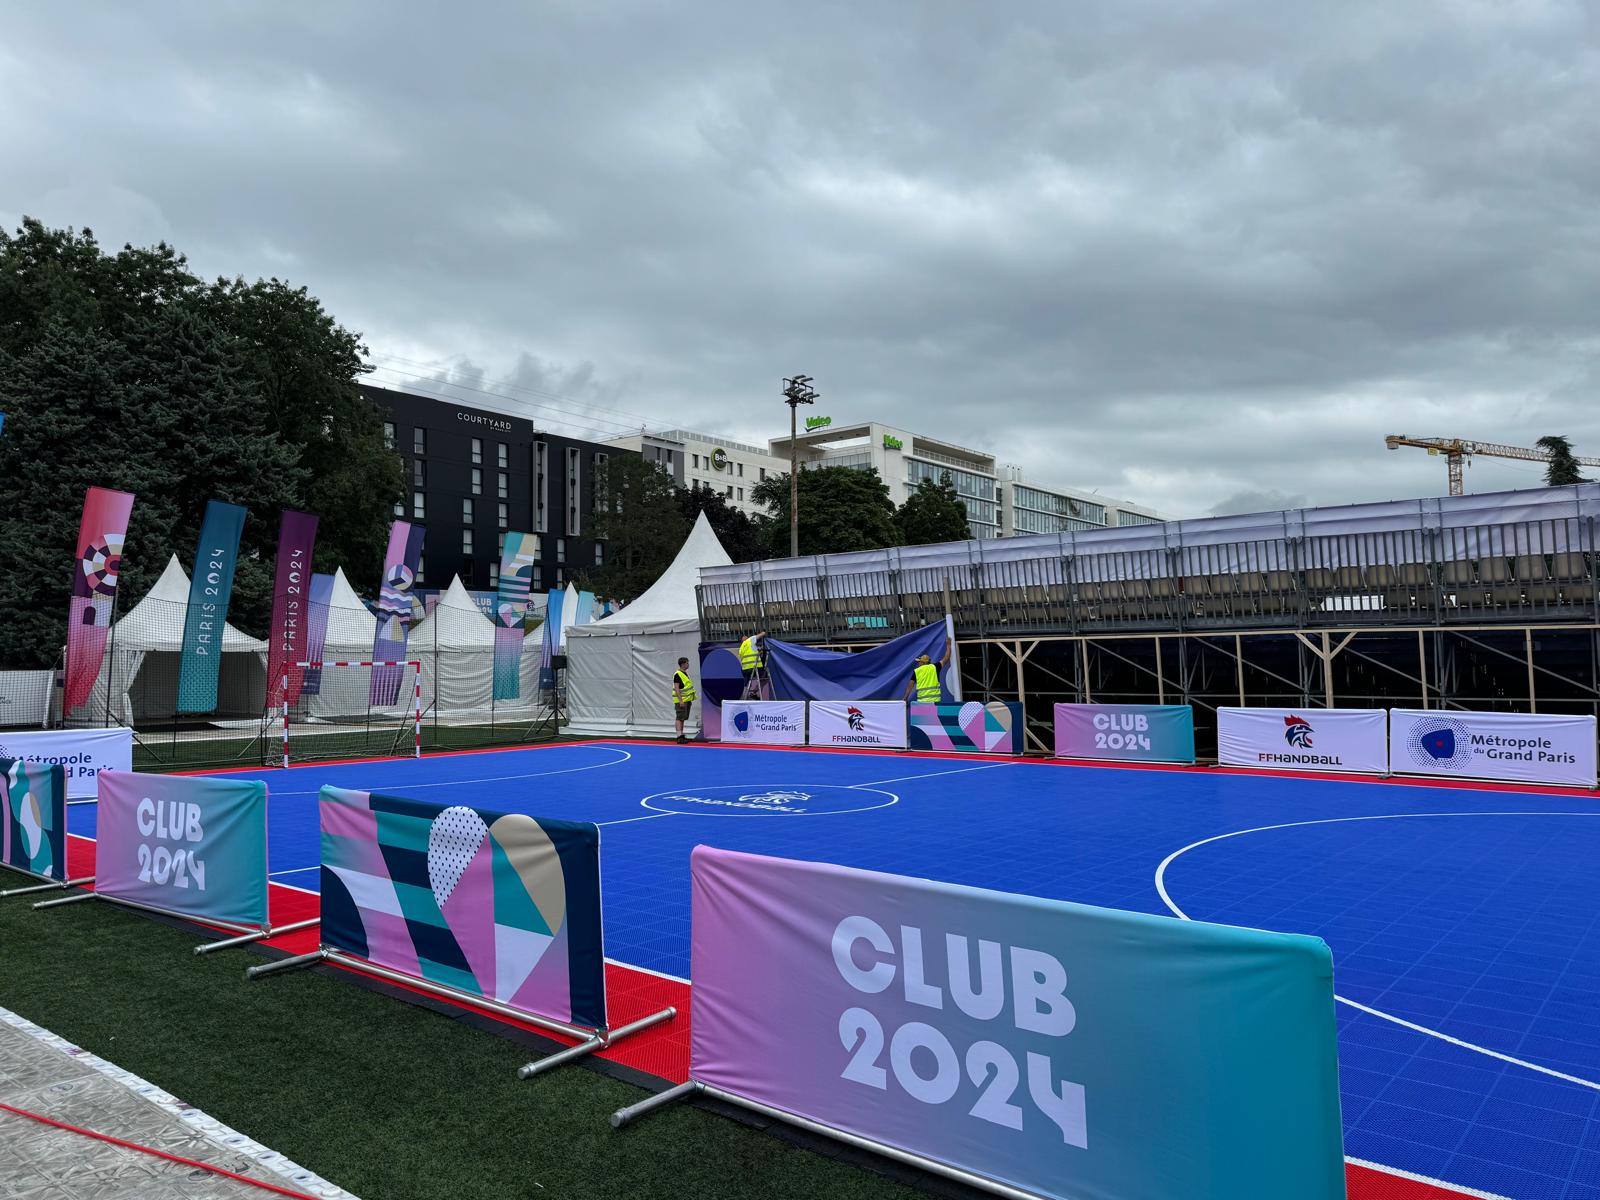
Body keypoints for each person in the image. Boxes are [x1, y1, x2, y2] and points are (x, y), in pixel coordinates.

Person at [672, 656, 697, 743]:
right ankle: (679, 737)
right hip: (681, 701)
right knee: (679, 718)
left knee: (682, 718)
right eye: (687, 663)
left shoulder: (684, 673)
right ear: (682, 664)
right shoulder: (677, 674)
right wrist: (681, 700)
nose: (688, 664)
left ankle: (681, 735)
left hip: (686, 700)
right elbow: (677, 688)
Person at [738, 630, 768, 699]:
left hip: (745, 670)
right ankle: (754, 692)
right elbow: (761, 635)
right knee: (765, 678)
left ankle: (745, 697)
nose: (746, 636)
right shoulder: (750, 640)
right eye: (745, 636)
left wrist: (758, 651)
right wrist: (763, 632)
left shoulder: (741, 648)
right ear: (743, 638)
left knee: (747, 685)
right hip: (755, 669)